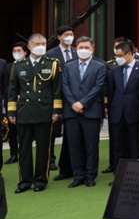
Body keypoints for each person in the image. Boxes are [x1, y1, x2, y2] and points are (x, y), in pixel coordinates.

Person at [8, 34, 63, 193]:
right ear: (30, 47)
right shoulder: (18, 65)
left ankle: (40, 180)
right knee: (24, 148)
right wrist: (11, 110)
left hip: (44, 111)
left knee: (43, 148)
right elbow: (12, 90)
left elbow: (57, 90)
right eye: (38, 44)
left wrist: (56, 110)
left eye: (44, 43)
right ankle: (25, 181)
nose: (41, 46)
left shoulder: (52, 64)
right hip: (24, 111)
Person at [61, 37, 106, 188]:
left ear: (93, 49)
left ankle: (90, 175)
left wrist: (83, 103)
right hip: (71, 111)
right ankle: (78, 175)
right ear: (76, 48)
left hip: (91, 112)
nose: (83, 49)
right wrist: (73, 103)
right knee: (74, 145)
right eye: (80, 47)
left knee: (91, 146)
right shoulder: (68, 66)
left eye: (87, 47)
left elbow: (98, 87)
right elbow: (65, 86)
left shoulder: (100, 66)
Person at [107, 41, 139, 171]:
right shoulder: (114, 71)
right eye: (116, 56)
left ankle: (136, 173)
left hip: (135, 114)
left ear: (129, 54)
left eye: (120, 55)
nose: (117, 59)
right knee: (118, 146)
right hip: (117, 114)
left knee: (135, 146)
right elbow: (111, 92)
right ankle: (118, 174)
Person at [45, 25, 77, 180]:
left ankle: (71, 162)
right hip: (56, 96)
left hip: (74, 97)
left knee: (71, 131)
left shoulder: (77, 52)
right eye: (66, 34)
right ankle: (50, 159)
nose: (69, 37)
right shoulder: (50, 54)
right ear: (59, 37)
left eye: (71, 34)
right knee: (52, 130)